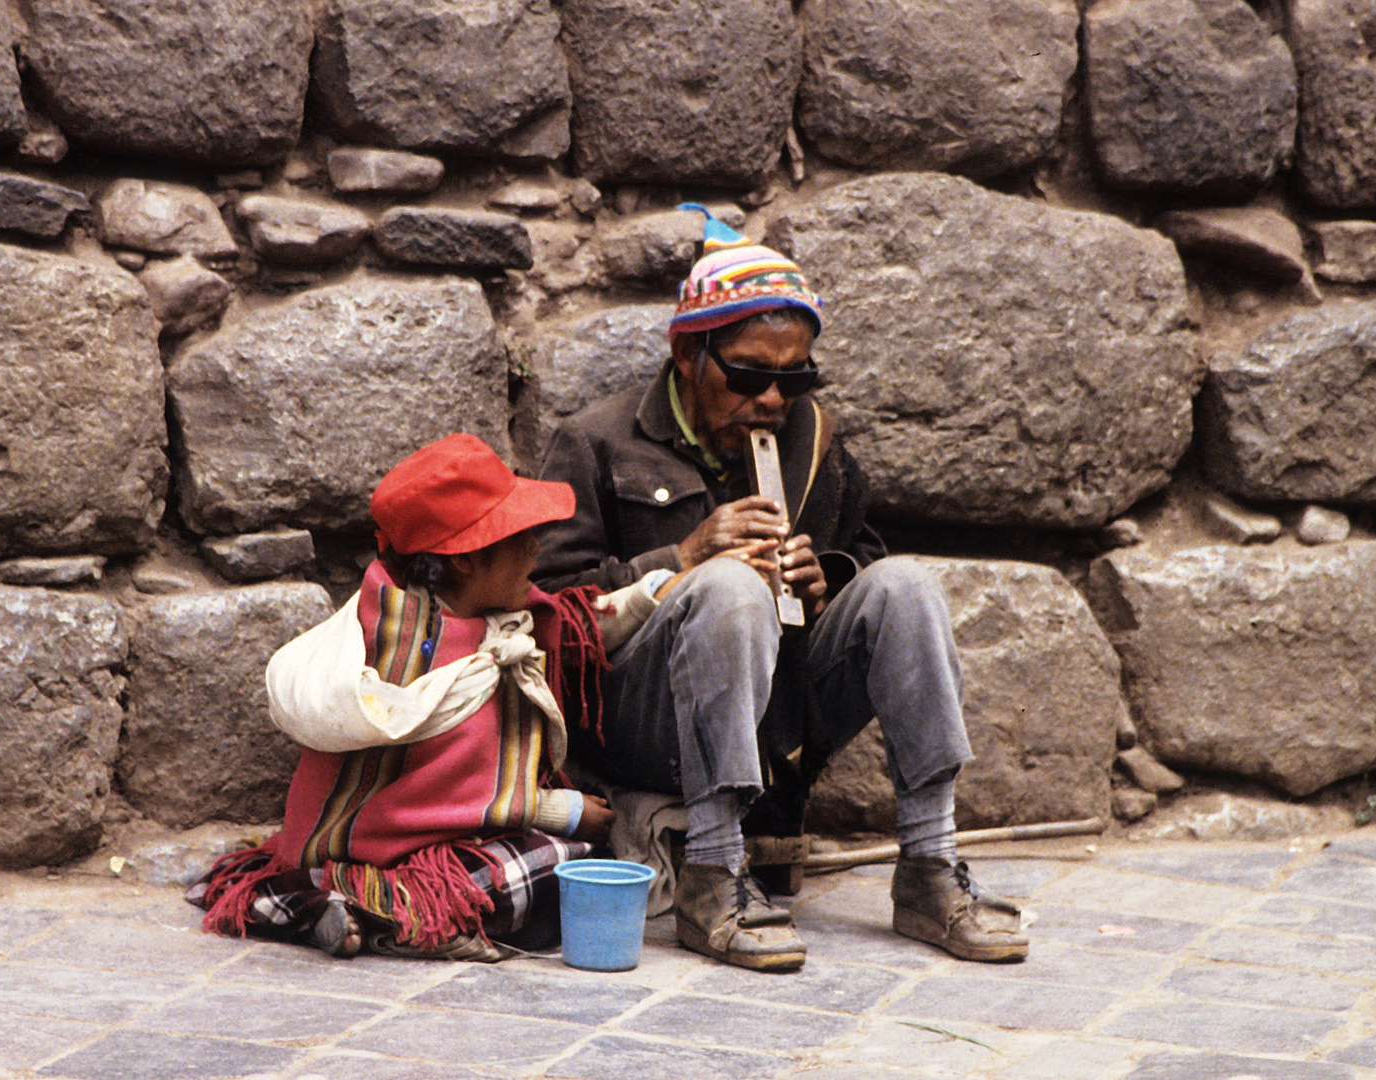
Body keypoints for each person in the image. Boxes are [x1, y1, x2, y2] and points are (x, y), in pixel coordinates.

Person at [535, 207, 1028, 971]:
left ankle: (930, 866)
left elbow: (861, 547)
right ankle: (714, 873)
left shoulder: (812, 438)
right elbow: (544, 613)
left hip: (775, 715)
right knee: (728, 587)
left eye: (792, 377)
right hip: (640, 721)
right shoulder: (597, 442)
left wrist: (827, 578)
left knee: (905, 588)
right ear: (688, 355)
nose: (771, 399)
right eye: (749, 374)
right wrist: (680, 556)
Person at [191, 433, 673, 962]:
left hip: (411, 852)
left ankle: (320, 910)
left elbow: (576, 623)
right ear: (465, 560)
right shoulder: (406, 651)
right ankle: (387, 918)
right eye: (520, 536)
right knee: (556, 864)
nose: (537, 546)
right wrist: (558, 809)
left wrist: (652, 595)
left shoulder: (493, 614)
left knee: (566, 866)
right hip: (379, 851)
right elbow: (421, 798)